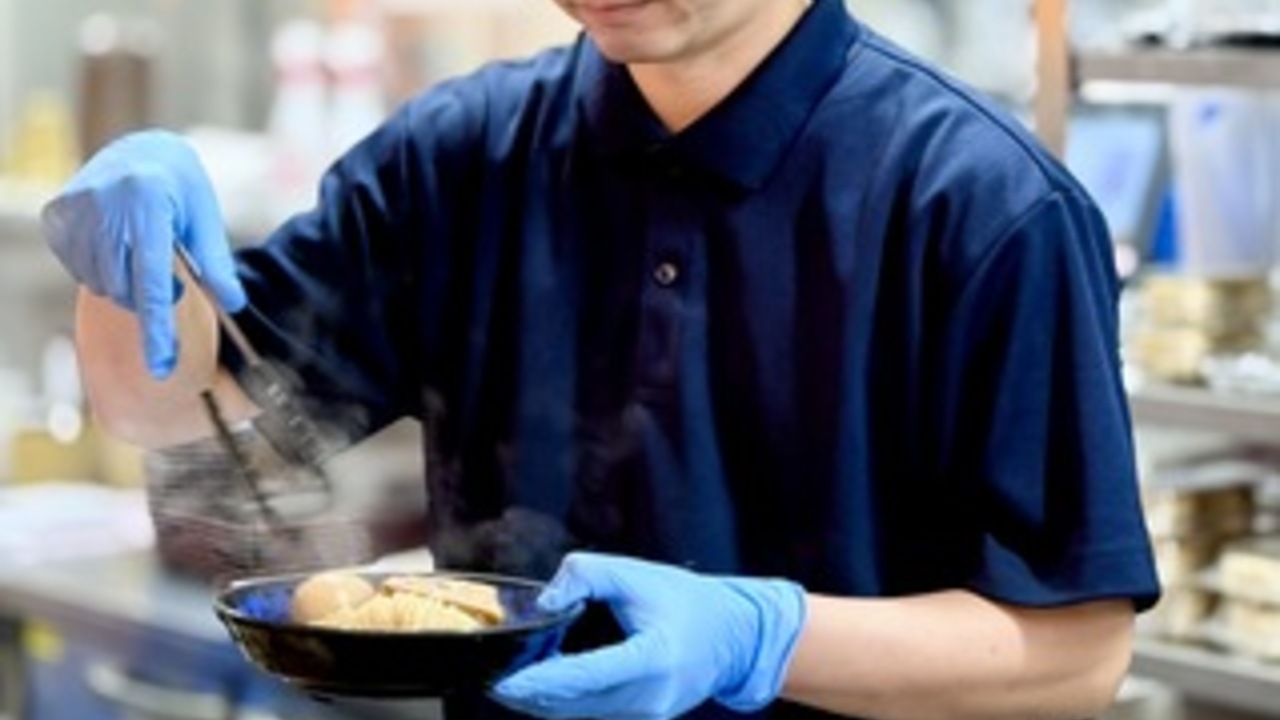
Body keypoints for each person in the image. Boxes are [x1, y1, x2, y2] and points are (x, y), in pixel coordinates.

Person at [42, 0, 1160, 718]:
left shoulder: (980, 205)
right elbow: (178, 410)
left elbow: (1070, 660)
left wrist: (760, 638)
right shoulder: (465, 157)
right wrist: (127, 270)